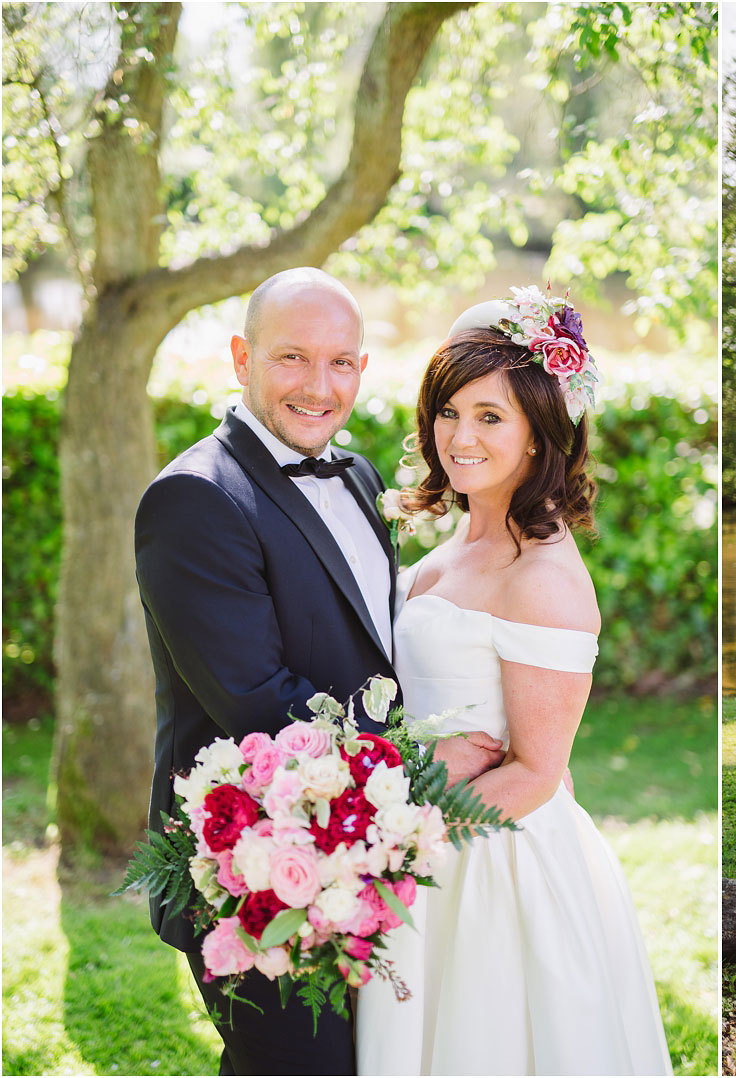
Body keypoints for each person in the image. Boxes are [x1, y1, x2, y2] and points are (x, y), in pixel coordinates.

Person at [135, 267, 503, 1075]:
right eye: (292, 358)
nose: (319, 385)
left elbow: (372, 646)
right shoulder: (195, 498)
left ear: (364, 369)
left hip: (362, 852)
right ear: (241, 357)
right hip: (255, 867)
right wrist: (418, 763)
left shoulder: (362, 474)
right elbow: (255, 699)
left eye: (341, 362)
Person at [356, 294, 671, 1076]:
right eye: (449, 412)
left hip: (486, 867)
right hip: (426, 834)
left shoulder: (545, 576)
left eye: (490, 417)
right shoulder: (465, 531)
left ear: (539, 432)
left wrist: (399, 837)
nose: (460, 437)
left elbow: (534, 771)